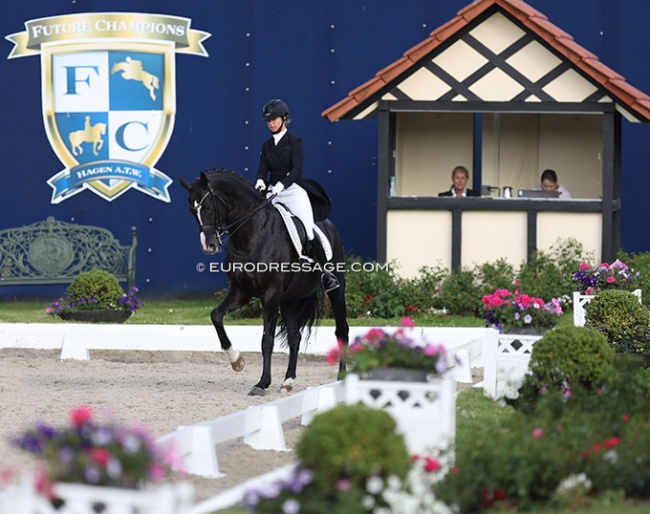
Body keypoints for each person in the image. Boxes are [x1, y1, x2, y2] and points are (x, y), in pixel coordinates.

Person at [255, 99, 339, 292]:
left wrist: (281, 185)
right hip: (272, 194)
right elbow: (262, 171)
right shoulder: (266, 146)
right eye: (268, 120)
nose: (271, 123)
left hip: (292, 192)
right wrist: (260, 181)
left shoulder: (295, 142)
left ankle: (326, 274)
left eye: (274, 119)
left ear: (284, 119)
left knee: (308, 230)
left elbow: (296, 171)